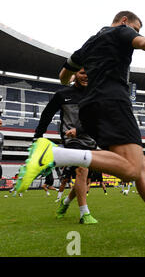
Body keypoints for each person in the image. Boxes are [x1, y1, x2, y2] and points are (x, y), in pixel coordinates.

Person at [15, 11, 145, 242]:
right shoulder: (120, 30)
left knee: (140, 168)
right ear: (125, 21)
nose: (135, 34)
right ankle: (55, 154)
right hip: (113, 101)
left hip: (89, 107)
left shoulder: (88, 44)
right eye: (135, 29)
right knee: (130, 170)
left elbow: (62, 76)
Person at [30, 68, 98, 224]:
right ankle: (84, 214)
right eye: (82, 72)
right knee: (82, 169)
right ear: (74, 75)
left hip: (91, 139)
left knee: (83, 176)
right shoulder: (62, 95)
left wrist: (79, 130)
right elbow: (46, 115)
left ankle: (65, 203)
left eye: (89, 72)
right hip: (71, 140)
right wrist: (37, 137)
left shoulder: (96, 95)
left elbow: (98, 119)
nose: (86, 75)